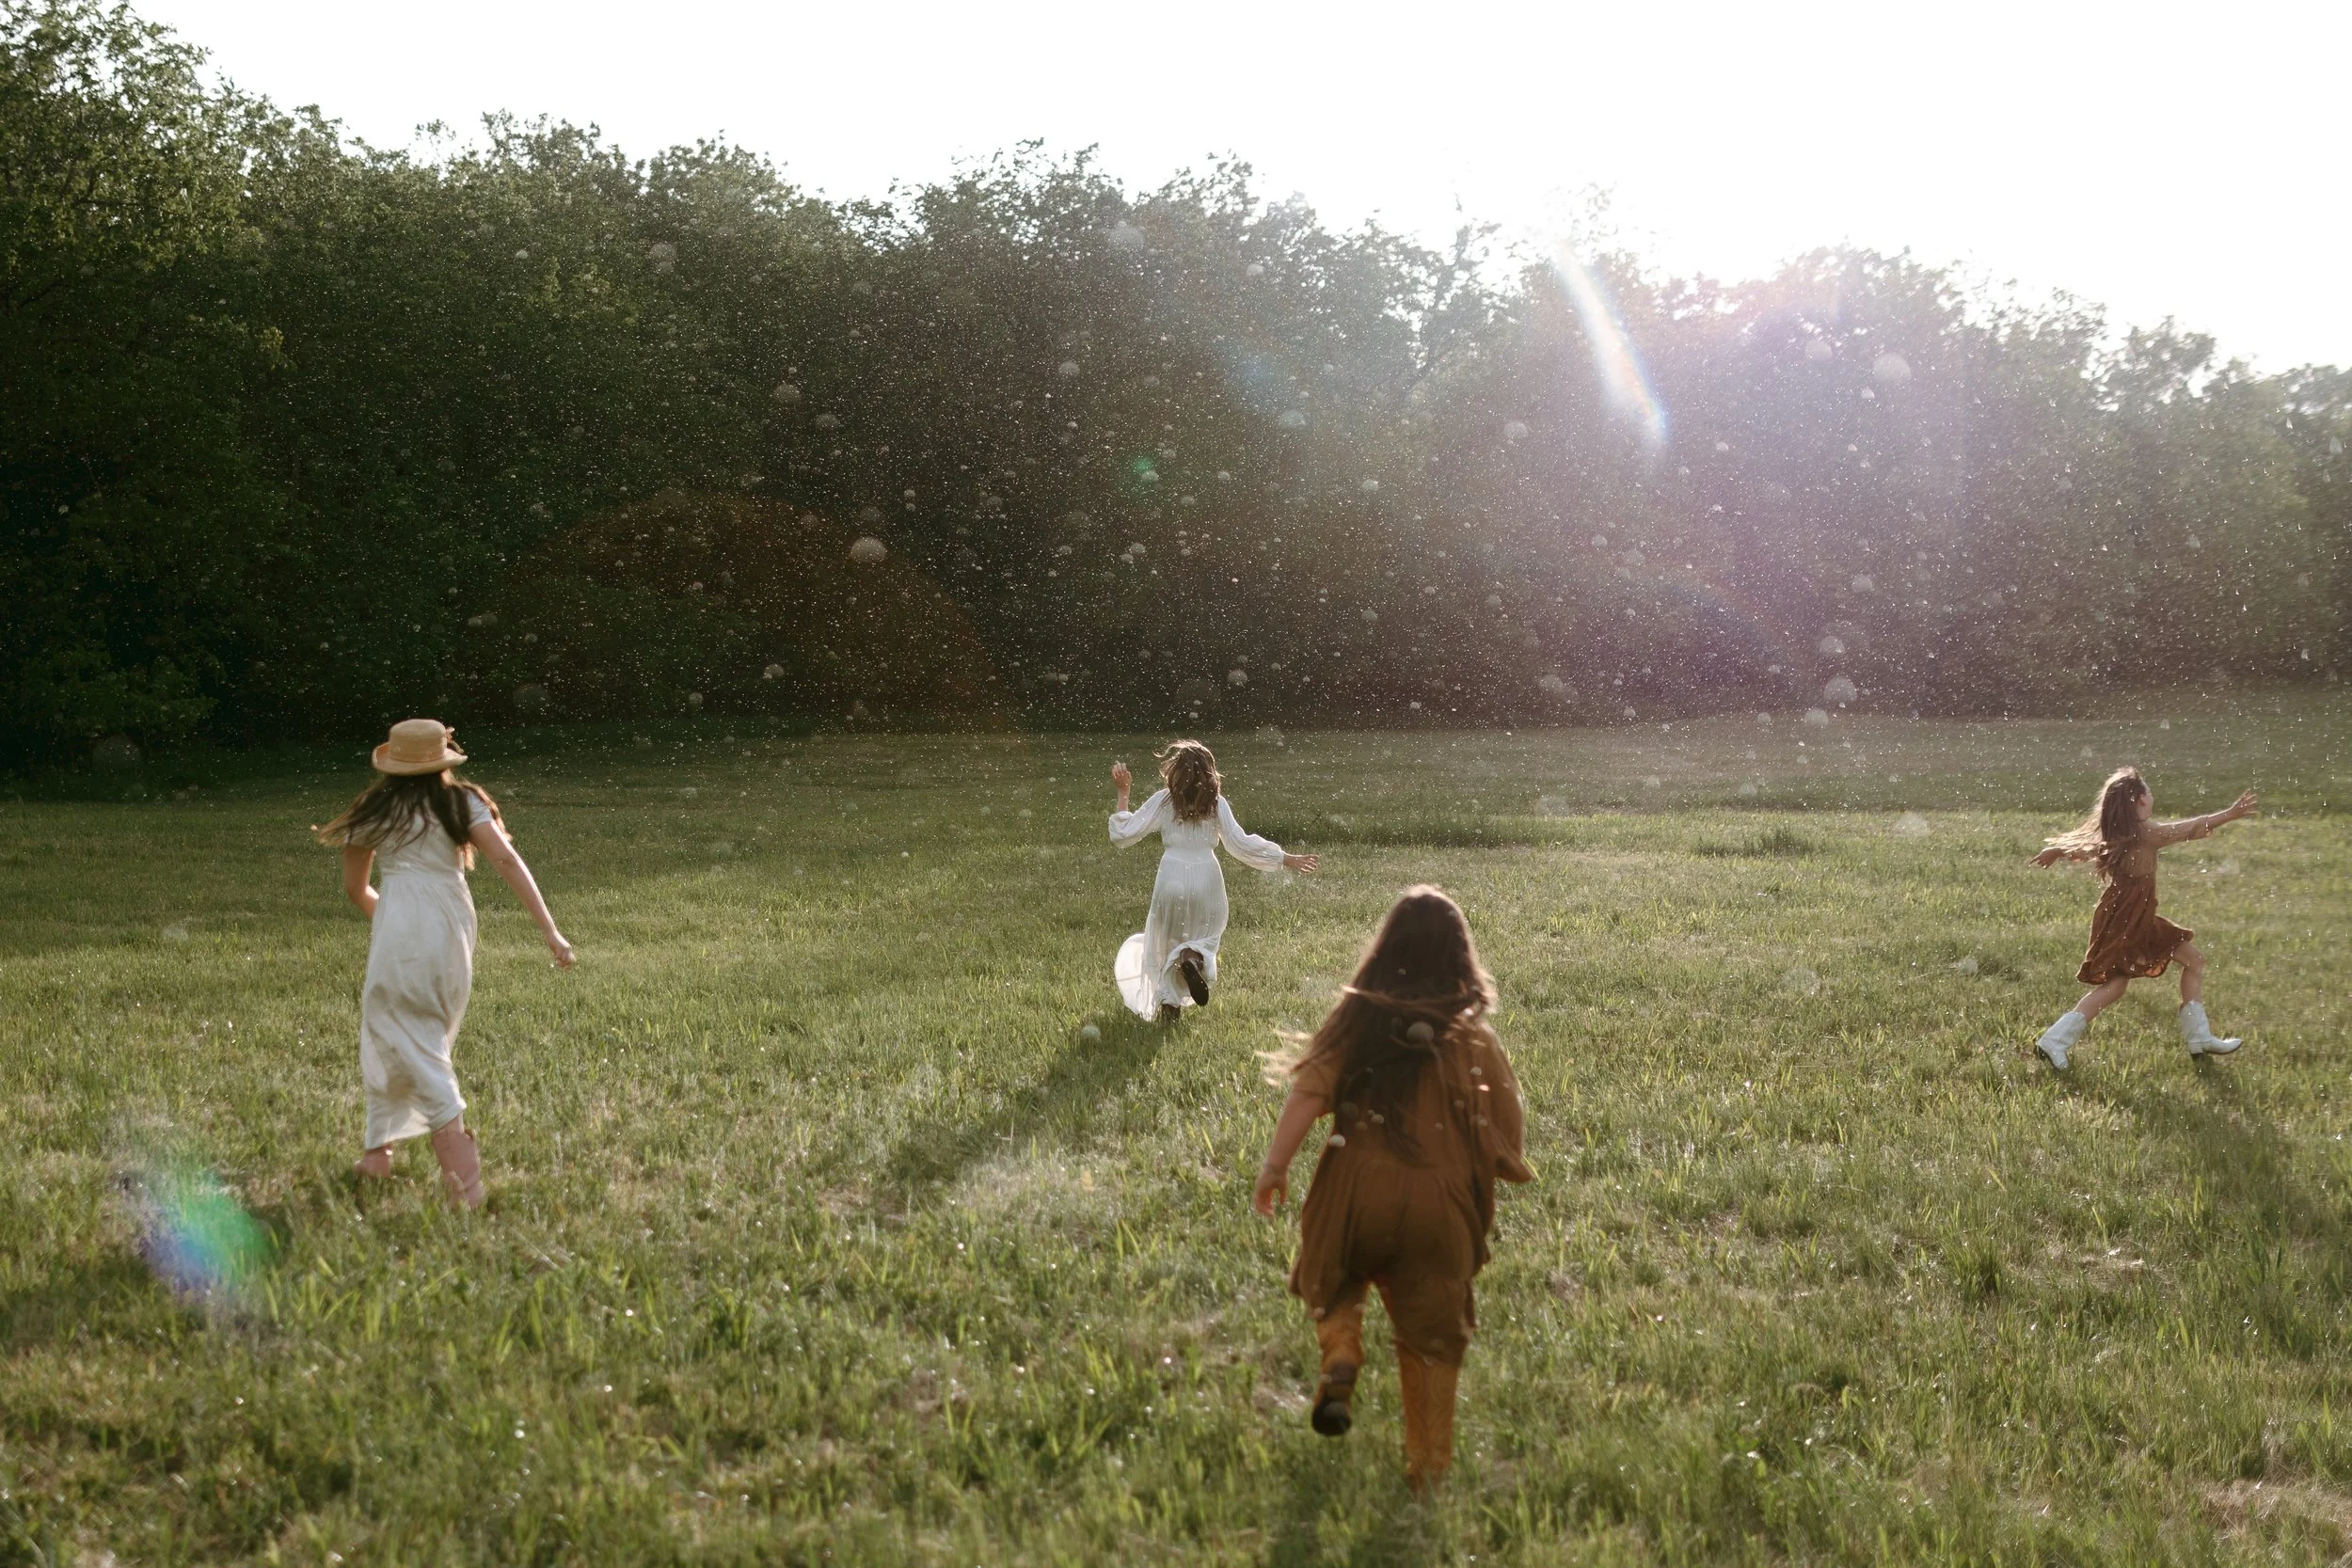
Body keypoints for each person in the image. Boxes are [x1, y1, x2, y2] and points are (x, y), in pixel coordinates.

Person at [1252, 886, 1532, 1493]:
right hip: (1437, 1208)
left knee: (1333, 1275)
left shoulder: (1359, 1022)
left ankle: (1341, 1350)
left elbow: (1308, 1094)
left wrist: (1275, 1166)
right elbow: (1507, 1129)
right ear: (1461, 958)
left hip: (1357, 1194)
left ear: (1384, 951)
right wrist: (1490, 1165)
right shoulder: (1475, 1039)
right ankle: (1426, 1470)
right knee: (1431, 1340)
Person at [315, 720, 574, 1207]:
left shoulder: (377, 809)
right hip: (451, 928)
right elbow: (507, 861)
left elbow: (356, 889)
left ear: (393, 764)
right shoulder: (462, 803)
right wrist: (549, 930)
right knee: (415, 1030)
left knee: (400, 1031)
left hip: (399, 927)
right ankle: (377, 1152)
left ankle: (463, 1179)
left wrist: (394, 921)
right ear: (443, 760)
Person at [2028, 766, 2257, 1069]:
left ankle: (2200, 1038)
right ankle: (2054, 1041)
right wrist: (2229, 814)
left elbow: (2087, 848)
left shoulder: (2119, 832)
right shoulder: (2147, 833)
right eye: (2148, 791)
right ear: (2139, 800)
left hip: (2133, 916)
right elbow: (2189, 827)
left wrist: (2057, 850)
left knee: (2193, 960)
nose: (2152, 796)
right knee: (2115, 985)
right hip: (2126, 919)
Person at [1106, 740, 1316, 1022]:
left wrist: (1123, 792)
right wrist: (1284, 858)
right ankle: (1192, 959)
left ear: (1175, 772)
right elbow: (1240, 842)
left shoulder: (1165, 801)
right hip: (1207, 878)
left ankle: (1170, 1009)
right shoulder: (1216, 804)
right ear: (1209, 773)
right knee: (1205, 937)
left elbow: (1124, 833)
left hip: (1171, 877)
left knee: (1165, 943)